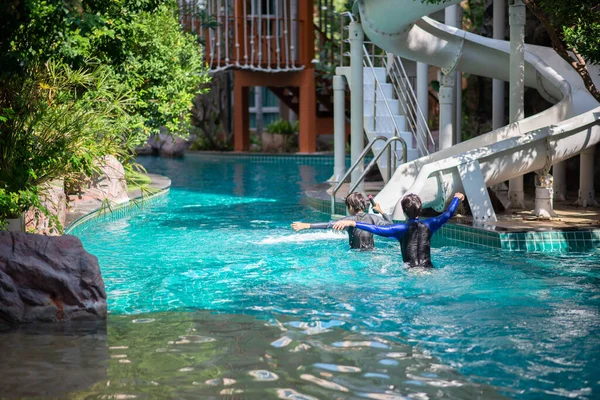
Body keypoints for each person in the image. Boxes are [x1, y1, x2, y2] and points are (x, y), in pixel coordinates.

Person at [332, 192, 465, 267]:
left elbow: (375, 228)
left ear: (403, 211)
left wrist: (354, 223)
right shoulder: (430, 224)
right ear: (420, 208)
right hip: (429, 270)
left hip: (411, 273)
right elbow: (448, 214)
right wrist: (456, 198)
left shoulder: (399, 229)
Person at [291, 192, 393, 250]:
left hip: (355, 255)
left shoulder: (349, 220)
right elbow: (391, 225)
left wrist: (306, 225)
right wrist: (381, 211)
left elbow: (328, 225)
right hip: (372, 252)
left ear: (351, 207)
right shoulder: (373, 218)